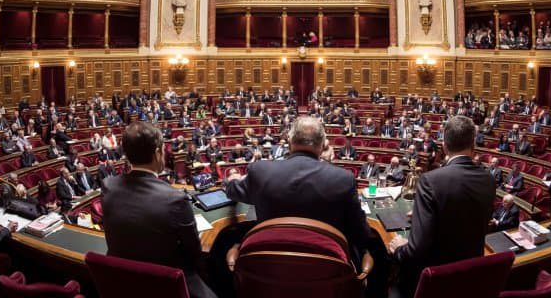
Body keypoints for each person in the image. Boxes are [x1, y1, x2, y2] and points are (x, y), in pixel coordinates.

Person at [101, 121, 216, 298]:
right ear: (157, 153)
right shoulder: (174, 198)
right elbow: (194, 252)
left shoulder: (108, 186)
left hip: (123, 283)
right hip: (165, 284)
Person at [226, 117, 370, 256]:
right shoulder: (343, 179)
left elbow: (233, 192)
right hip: (326, 268)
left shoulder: (260, 171)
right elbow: (361, 232)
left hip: (270, 262)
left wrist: (232, 180)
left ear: (289, 142)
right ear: (321, 145)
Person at [388, 116, 494, 297]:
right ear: (473, 145)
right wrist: (429, 214)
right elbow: (466, 219)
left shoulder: (431, 181)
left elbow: (416, 251)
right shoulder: (488, 180)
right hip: (470, 278)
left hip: (434, 281)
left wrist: (399, 248)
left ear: (444, 145)